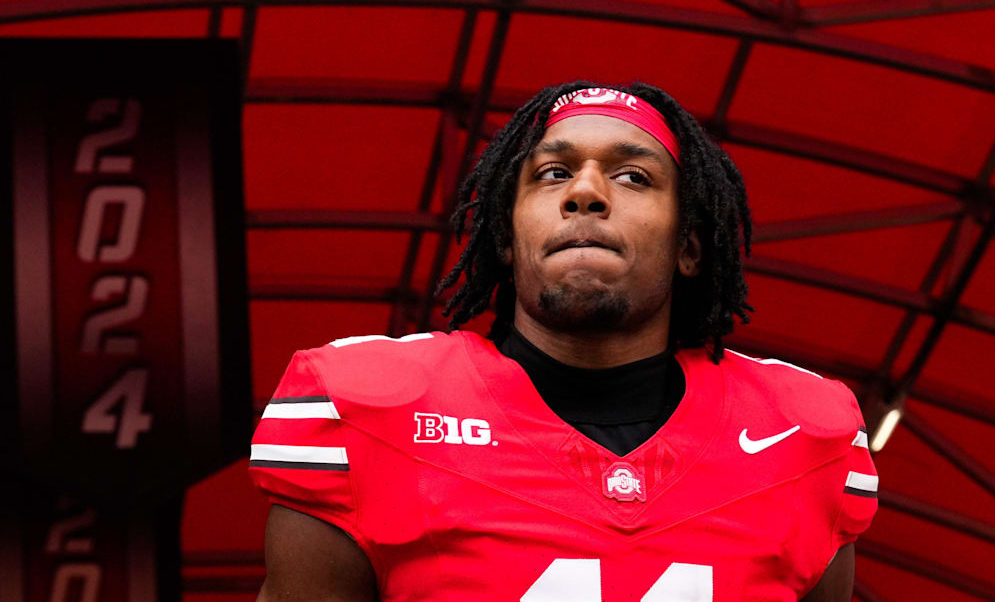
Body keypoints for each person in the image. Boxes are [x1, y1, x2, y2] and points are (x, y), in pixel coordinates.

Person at [250, 80, 878, 601]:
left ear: (689, 247)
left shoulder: (802, 436)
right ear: (505, 236)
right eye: (552, 173)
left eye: (633, 177)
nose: (584, 192)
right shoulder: (363, 411)